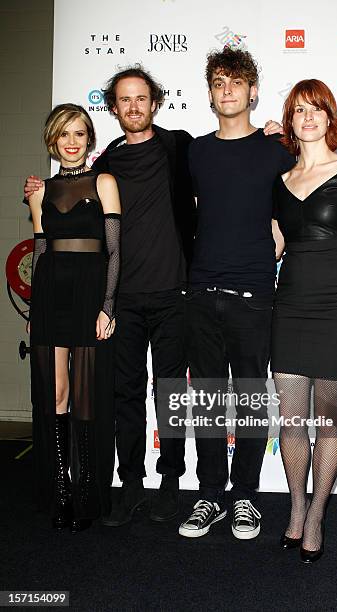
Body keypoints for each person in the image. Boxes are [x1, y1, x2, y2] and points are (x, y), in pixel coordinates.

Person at [25, 65, 196, 525]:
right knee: (124, 394)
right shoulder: (106, 165)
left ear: (155, 102)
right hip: (121, 298)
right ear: (114, 108)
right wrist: (38, 190)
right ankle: (132, 484)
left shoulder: (179, 146)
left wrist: (272, 135)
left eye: (142, 98)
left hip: (174, 290)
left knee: (171, 392)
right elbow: (69, 203)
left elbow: (229, 156)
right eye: (125, 100)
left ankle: (171, 482)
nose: (134, 106)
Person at [178, 47, 295, 540]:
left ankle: (245, 495)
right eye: (219, 82)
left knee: (249, 400)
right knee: (204, 400)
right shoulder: (195, 151)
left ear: (252, 90)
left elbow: (310, 195)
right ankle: (210, 495)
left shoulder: (278, 149)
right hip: (200, 292)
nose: (227, 90)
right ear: (210, 94)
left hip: (254, 294)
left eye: (236, 82)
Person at [271, 79, 337, 562]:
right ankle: (296, 508)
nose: (308, 117)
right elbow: (273, 244)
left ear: (330, 116)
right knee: (292, 422)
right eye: (299, 111)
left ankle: (317, 515)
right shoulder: (279, 181)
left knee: (327, 422)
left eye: (316, 109)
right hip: (290, 302)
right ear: (291, 122)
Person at [28, 103, 121, 532]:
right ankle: (61, 489)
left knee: (85, 396)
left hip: (88, 294)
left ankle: (87, 488)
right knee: (57, 394)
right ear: (53, 139)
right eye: (64, 134)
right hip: (50, 294)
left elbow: (114, 250)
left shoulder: (104, 181)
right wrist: (33, 310)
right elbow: (41, 248)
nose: (71, 142)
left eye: (79, 134)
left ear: (89, 140)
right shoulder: (39, 191)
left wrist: (108, 306)